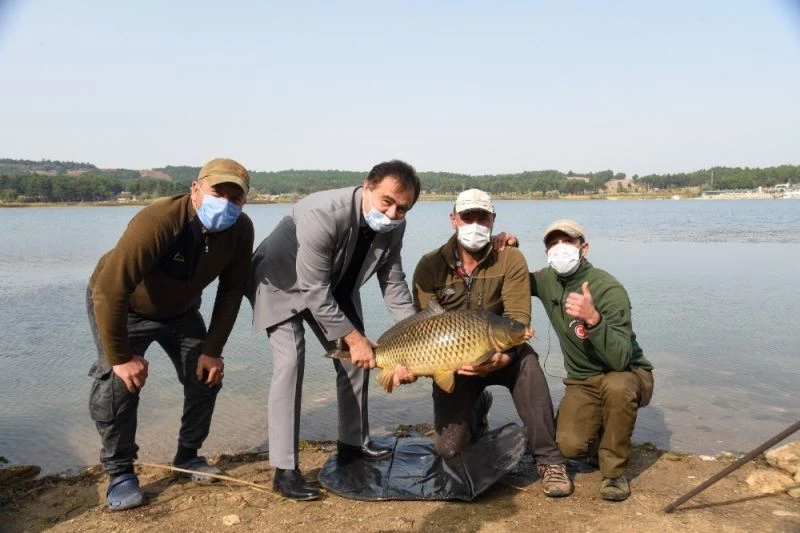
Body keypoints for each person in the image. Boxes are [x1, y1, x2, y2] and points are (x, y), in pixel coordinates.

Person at [87, 158, 254, 511]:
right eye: (217, 192)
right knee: (118, 384)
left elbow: (231, 291)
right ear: (195, 189)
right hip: (124, 307)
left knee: (206, 375)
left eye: (235, 197)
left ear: (244, 202)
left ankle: (188, 456)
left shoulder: (241, 230)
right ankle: (120, 472)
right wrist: (121, 358)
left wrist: (213, 349)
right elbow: (110, 290)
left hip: (181, 311)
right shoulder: (159, 220)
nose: (225, 203)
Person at [248, 159, 420, 500]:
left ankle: (353, 443)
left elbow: (394, 283)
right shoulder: (323, 213)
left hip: (335, 286)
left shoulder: (395, 226)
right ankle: (285, 469)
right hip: (279, 282)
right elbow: (313, 289)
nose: (392, 213)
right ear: (367, 186)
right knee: (291, 362)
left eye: (402, 208)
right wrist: (354, 339)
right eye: (387, 202)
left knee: (357, 363)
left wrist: (417, 337)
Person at [396, 189, 573, 498]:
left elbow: (519, 319)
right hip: (455, 363)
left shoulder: (510, 258)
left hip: (501, 351)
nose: (475, 224)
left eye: (483, 218)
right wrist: (411, 366)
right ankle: (477, 407)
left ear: (493, 220)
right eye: (468, 217)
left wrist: (504, 357)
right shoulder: (430, 265)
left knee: (528, 365)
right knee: (449, 449)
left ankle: (549, 460)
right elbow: (423, 332)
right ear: (454, 219)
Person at [530, 219, 654, 501]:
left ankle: (614, 473)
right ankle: (602, 433)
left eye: (568, 241)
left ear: (583, 248)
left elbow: (621, 358)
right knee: (567, 447)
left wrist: (593, 319)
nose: (560, 248)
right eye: (553, 243)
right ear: (546, 252)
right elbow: (511, 280)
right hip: (582, 381)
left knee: (617, 387)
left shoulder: (608, 288)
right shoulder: (546, 280)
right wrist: (504, 247)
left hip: (626, 372)